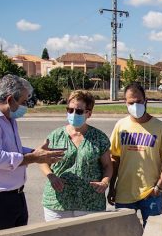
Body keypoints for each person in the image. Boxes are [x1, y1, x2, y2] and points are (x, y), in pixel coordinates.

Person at [0, 74, 64, 232]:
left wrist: (36, 152)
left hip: (14, 196)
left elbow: (11, 150)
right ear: (10, 100)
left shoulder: (7, 118)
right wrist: (34, 158)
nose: (25, 107)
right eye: (23, 102)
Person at [107, 82, 162, 227]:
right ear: (125, 103)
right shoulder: (120, 126)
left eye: (138, 102)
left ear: (146, 101)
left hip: (150, 194)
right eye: (131, 102)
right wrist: (112, 186)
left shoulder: (160, 127)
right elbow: (114, 159)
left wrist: (158, 187)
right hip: (124, 193)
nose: (135, 106)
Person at [39, 90, 113, 221]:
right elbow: (42, 160)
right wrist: (51, 176)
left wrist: (105, 182)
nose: (73, 114)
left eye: (78, 111)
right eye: (70, 110)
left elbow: (107, 165)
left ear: (88, 113)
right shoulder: (56, 136)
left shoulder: (99, 138)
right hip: (57, 202)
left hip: (90, 203)